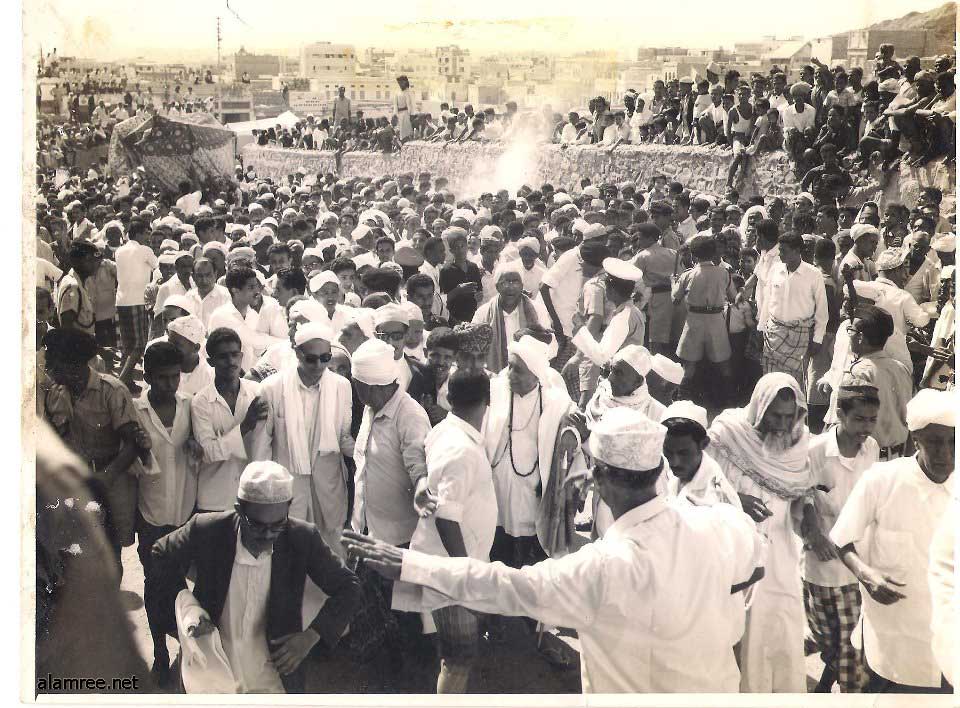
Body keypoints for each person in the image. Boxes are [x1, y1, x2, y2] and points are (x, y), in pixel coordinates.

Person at [344, 406, 764, 693]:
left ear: (599, 477)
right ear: (659, 470)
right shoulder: (721, 524)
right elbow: (754, 562)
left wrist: (412, 565)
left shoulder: (604, 567)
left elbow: (505, 585)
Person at [149, 461, 363, 693]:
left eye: (278, 525)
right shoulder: (209, 529)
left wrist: (311, 636)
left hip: (273, 676)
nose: (268, 535)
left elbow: (349, 586)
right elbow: (160, 554)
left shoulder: (302, 537)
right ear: (239, 510)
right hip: (214, 669)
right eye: (258, 526)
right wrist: (189, 609)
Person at [830, 388, 955, 694]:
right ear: (916, 439)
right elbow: (840, 539)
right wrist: (866, 574)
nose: (946, 453)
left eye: (955, 442)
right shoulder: (881, 480)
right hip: (891, 644)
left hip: (948, 647)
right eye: (935, 442)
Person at [708, 373, 814, 692]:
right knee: (737, 632)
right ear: (759, 408)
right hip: (733, 552)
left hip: (780, 555)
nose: (782, 425)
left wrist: (809, 517)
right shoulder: (728, 434)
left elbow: (802, 490)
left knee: (781, 628)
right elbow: (698, 486)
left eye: (789, 416)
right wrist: (736, 499)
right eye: (775, 416)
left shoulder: (799, 443)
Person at [798, 382, 881, 693]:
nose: (866, 428)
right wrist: (812, 531)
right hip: (822, 567)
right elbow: (801, 494)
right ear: (840, 415)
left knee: (851, 648)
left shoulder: (872, 449)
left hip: (857, 565)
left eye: (871, 420)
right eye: (859, 419)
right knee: (827, 639)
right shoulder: (815, 451)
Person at [42, 329, 144, 570]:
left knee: (110, 554)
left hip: (110, 480)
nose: (49, 370)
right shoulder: (56, 393)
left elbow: (133, 444)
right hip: (75, 482)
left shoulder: (112, 391)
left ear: (73, 365)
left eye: (55, 365)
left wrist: (105, 478)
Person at [482, 336, 586, 568]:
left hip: (533, 490)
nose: (510, 375)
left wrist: (572, 434)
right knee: (499, 547)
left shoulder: (556, 401)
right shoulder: (495, 390)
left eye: (517, 370)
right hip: (498, 486)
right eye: (509, 366)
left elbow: (579, 425)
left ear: (535, 375)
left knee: (531, 551)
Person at [250, 321, 355, 553]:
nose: (319, 365)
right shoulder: (271, 388)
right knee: (287, 549)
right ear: (297, 353)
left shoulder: (342, 386)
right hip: (287, 486)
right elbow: (261, 445)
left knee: (331, 549)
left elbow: (343, 437)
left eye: (325, 358)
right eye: (311, 359)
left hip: (329, 486)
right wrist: (263, 490)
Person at [133, 341, 201, 684]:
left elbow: (203, 451)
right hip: (151, 514)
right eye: (162, 378)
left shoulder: (190, 405)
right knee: (154, 583)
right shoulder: (135, 411)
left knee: (181, 585)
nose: (170, 384)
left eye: (175, 377)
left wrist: (196, 448)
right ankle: (160, 651)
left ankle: (187, 648)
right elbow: (131, 464)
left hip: (186, 513)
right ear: (147, 377)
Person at [191, 328, 267, 512]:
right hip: (215, 498)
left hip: (252, 495)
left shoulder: (257, 392)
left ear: (242, 356)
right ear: (211, 361)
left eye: (235, 354)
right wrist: (245, 426)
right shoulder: (201, 402)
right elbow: (208, 453)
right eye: (223, 356)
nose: (231, 361)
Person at [672, 235, 737, 405]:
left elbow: (675, 299)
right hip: (716, 321)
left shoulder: (688, 275)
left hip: (694, 321)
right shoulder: (724, 273)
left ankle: (681, 400)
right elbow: (733, 297)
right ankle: (730, 399)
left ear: (694, 255)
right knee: (723, 363)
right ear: (714, 252)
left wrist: (674, 283)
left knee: (689, 365)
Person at [843, 305, 912, 458]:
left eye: (851, 331)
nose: (849, 336)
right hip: (898, 456)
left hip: (868, 458)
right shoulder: (901, 368)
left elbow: (848, 425)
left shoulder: (859, 372)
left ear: (860, 337)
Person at [761, 232, 829, 389]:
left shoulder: (814, 274)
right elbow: (767, 300)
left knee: (794, 385)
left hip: (800, 337)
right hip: (773, 335)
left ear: (797, 250)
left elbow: (822, 311)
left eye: (783, 250)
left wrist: (817, 339)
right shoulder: (775, 269)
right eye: (780, 250)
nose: (780, 254)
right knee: (771, 383)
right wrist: (762, 328)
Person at [472, 260, 550, 374]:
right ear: (497, 286)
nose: (511, 287)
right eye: (505, 282)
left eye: (515, 282)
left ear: (522, 285)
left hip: (530, 375)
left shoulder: (538, 310)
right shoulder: (483, 313)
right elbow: (474, 350)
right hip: (494, 377)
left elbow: (551, 346)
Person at [659, 400, 740, 509]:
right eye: (668, 451)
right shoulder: (656, 467)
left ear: (704, 444)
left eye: (684, 453)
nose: (674, 462)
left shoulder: (718, 497)